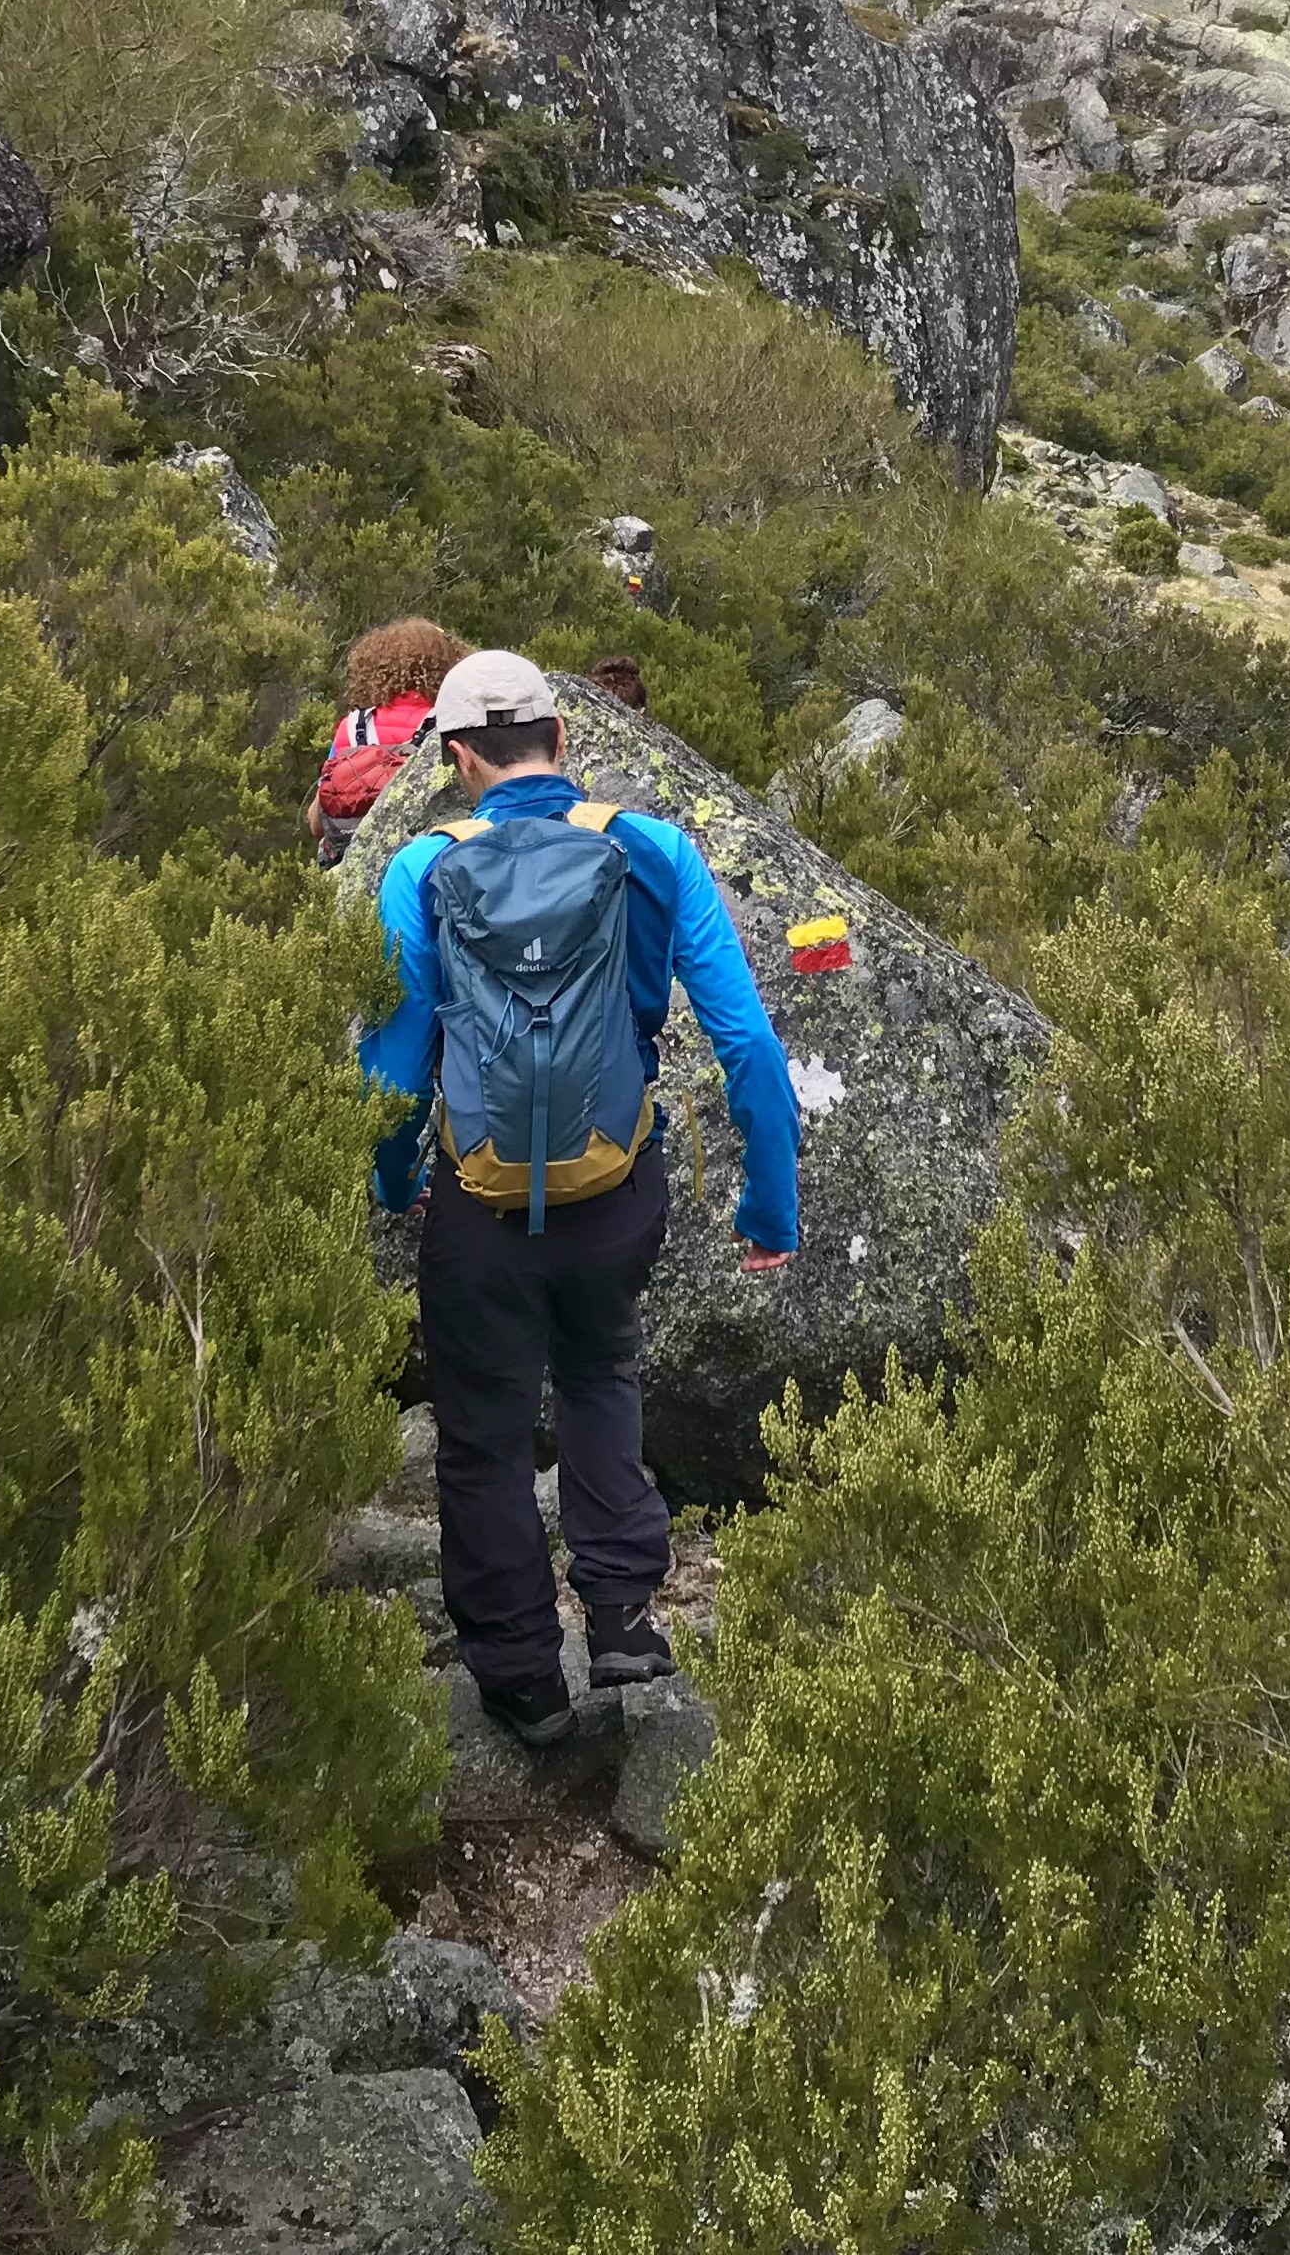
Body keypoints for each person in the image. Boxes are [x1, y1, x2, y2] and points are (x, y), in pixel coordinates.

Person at [362, 648, 803, 1745]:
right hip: (617, 1187)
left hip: (480, 1205)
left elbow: (395, 1066)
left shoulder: (421, 869)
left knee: (482, 1438)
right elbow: (746, 1041)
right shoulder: (649, 848)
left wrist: (393, 1176)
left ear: (459, 758)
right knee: (605, 1373)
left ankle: (519, 1679)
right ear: (563, 741)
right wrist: (768, 1213)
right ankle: (620, 1623)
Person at [308, 618, 468, 865]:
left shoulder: (352, 726)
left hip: (351, 870)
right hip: (426, 865)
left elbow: (317, 823)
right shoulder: (450, 725)